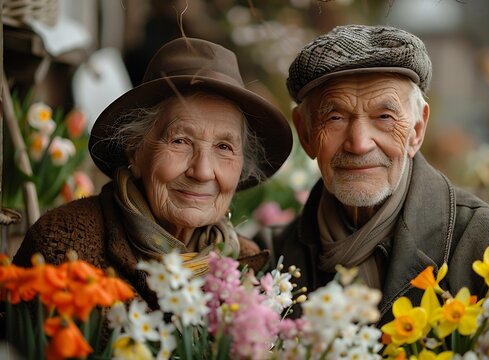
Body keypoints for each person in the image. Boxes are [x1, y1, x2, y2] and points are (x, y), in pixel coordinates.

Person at [263, 24, 489, 325]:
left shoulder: (484, 251)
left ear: (417, 130)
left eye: (384, 117)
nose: (359, 143)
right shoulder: (274, 260)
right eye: (335, 117)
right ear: (305, 133)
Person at [13, 37, 293, 308]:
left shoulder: (247, 262)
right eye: (180, 141)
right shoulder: (64, 246)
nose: (203, 171)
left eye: (224, 147)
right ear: (135, 151)